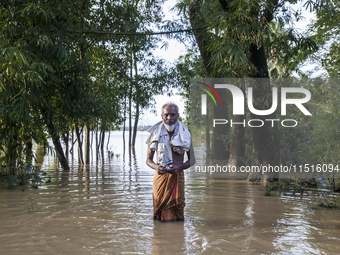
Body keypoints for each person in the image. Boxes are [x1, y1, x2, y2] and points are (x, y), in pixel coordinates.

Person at [146, 102, 195, 222]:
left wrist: (179, 167)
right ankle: (160, 237)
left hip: (177, 177)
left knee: (178, 209)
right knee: (158, 211)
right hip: (160, 177)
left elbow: (192, 160)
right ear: (162, 116)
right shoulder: (155, 134)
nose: (169, 118)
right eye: (166, 115)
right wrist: (157, 167)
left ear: (177, 115)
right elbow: (148, 160)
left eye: (172, 115)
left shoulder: (185, 134)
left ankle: (177, 238)